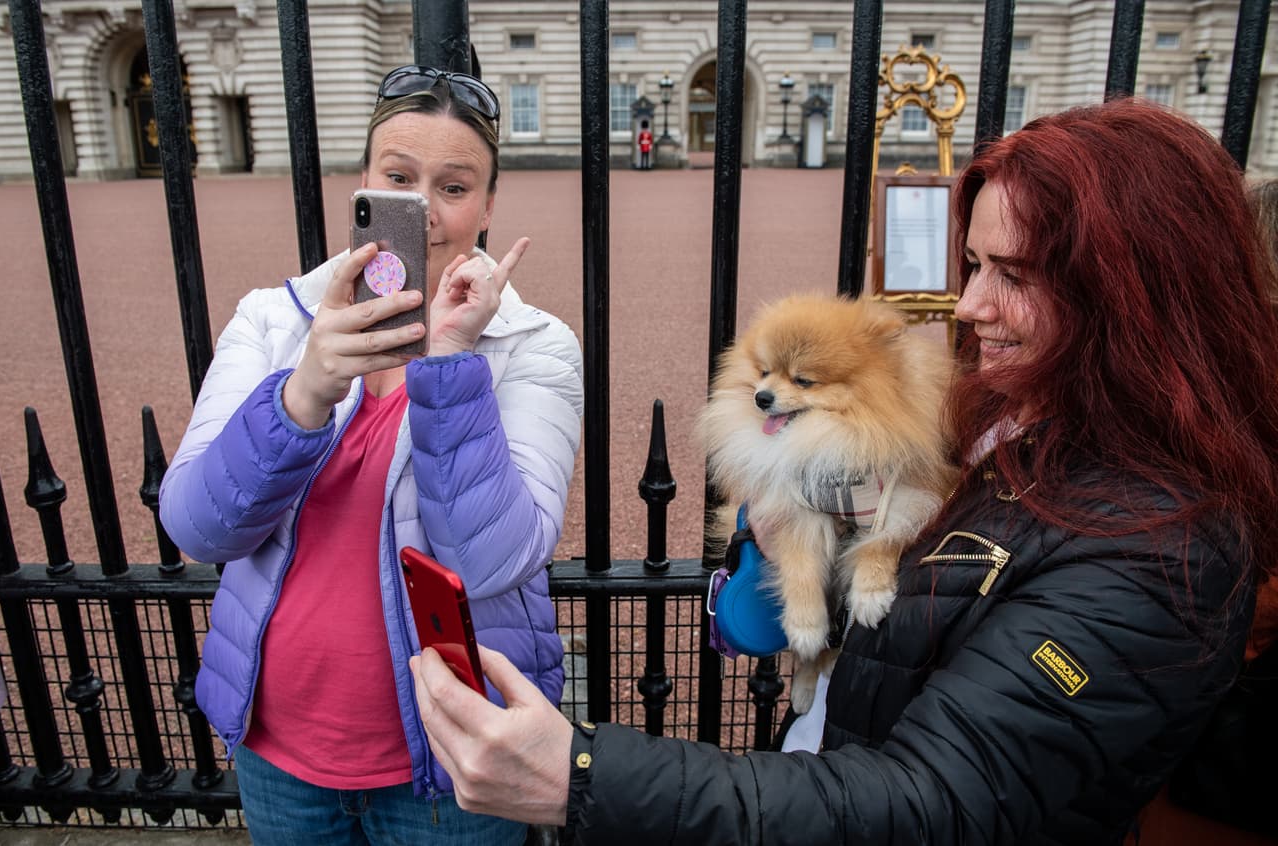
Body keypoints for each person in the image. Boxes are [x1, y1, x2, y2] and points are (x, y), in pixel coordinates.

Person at [410, 98, 1278, 844]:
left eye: (1013, 275)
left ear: (1135, 294)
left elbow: (935, 803)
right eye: (974, 264)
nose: (969, 305)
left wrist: (585, 778)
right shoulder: (1006, 418)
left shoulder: (1163, 551)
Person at [160, 66, 584, 845]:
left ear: (489, 205)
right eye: (398, 178)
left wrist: (451, 364)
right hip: (281, 749)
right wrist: (306, 392)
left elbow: (494, 559)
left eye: (453, 187)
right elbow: (197, 527)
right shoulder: (273, 322)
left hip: (453, 754)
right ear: (364, 185)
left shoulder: (535, 344)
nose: (421, 209)